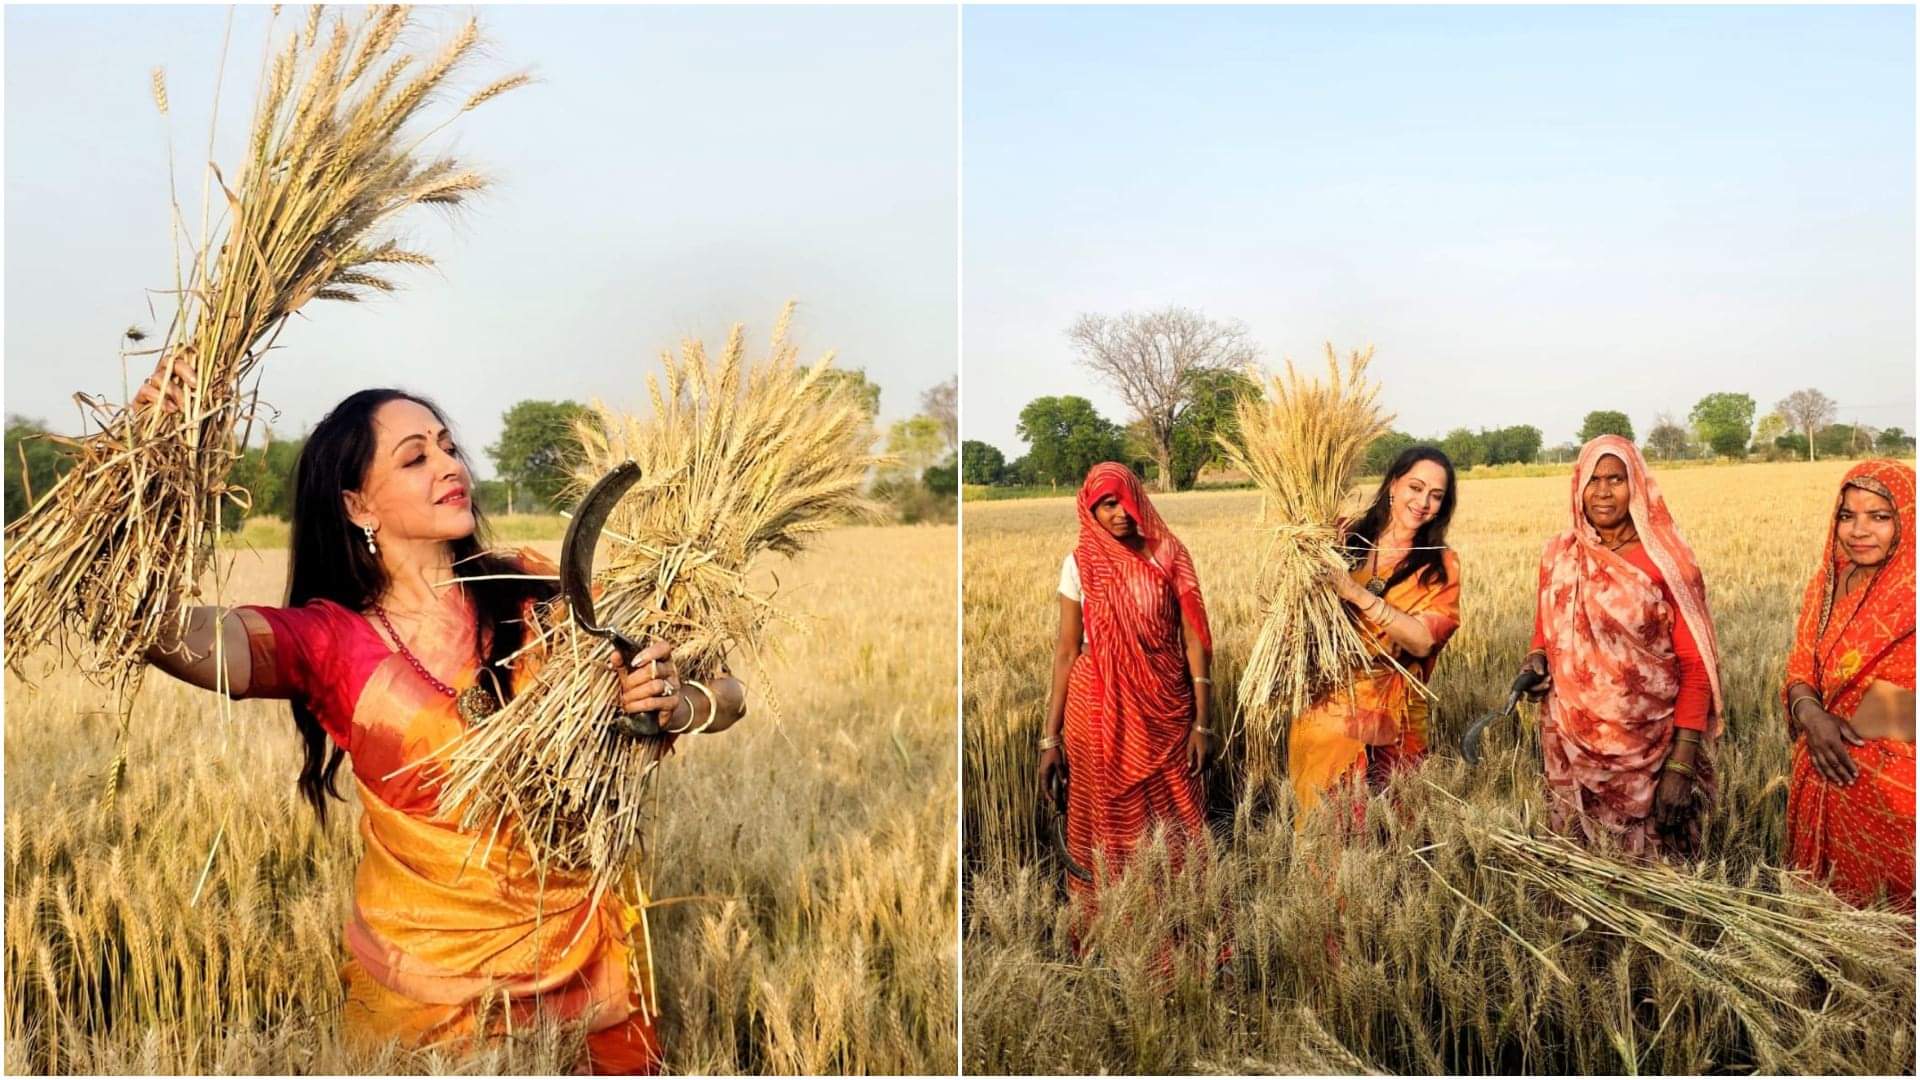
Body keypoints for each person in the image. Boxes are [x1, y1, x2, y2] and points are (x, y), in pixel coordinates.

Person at [131, 355, 747, 1073]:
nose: (449, 465)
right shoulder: (329, 643)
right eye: (414, 457)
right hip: (426, 1006)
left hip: (589, 979)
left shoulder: (540, 592)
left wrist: (673, 705)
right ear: (357, 506)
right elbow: (159, 629)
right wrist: (148, 459)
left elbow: (727, 691)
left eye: (448, 447)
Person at [1518, 435, 1721, 858]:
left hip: (1649, 748)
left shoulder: (1668, 562)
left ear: (1637, 486)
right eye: (1593, 480)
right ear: (1578, 485)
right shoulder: (1560, 554)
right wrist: (1536, 660)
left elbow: (1695, 665)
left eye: (1616, 479)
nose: (1603, 492)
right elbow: (1545, 628)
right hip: (1571, 739)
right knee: (1578, 864)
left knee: (1653, 874)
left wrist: (1681, 764)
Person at [1036, 462, 1212, 897]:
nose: (1120, 513)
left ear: (1140, 499)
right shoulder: (1079, 564)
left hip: (1166, 705)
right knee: (1104, 817)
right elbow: (1066, 650)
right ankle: (1113, 917)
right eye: (1107, 505)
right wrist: (1050, 739)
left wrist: (1203, 723)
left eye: (1125, 501)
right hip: (1096, 709)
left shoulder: (1169, 554)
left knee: (1179, 814)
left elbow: (1195, 640)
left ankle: (1183, 913)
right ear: (1090, 509)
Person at [1289, 446, 1463, 824]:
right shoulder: (1343, 536)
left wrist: (1355, 593)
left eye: (1436, 496)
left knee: (1397, 826)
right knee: (1328, 825)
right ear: (1393, 485)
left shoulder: (1440, 564)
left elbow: (1423, 640)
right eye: (1415, 488)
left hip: (1397, 713)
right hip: (1328, 705)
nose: (1423, 503)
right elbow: (1299, 599)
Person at [1783, 460, 1915, 911]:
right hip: (1821, 774)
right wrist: (1812, 715)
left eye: (1879, 516)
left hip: (1895, 797)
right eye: (1847, 515)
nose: (1859, 531)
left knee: (1892, 929)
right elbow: (1800, 665)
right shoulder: (1826, 585)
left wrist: (1854, 725)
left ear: (1907, 519)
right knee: (1822, 923)